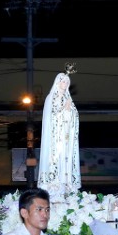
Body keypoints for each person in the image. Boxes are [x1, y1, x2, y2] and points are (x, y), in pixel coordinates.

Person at [37, 65, 81, 201]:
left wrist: (69, 111)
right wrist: (63, 109)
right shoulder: (51, 98)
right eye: (63, 81)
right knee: (57, 159)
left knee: (67, 159)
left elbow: (75, 117)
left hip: (67, 137)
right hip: (56, 139)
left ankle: (67, 185)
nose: (65, 84)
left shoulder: (69, 99)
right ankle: (54, 185)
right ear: (58, 82)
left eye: (67, 82)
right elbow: (51, 117)